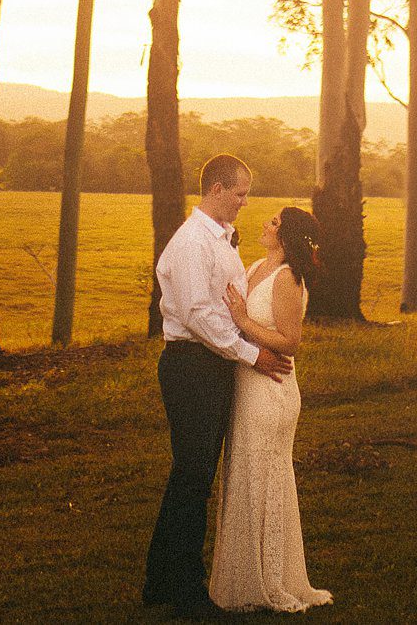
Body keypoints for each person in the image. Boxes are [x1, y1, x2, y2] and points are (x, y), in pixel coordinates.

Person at [146, 154, 291, 618]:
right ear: (216, 189)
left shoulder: (221, 242)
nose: (246, 202)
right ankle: (184, 588)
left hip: (210, 366)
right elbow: (198, 315)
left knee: (191, 477)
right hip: (192, 366)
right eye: (241, 193)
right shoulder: (193, 243)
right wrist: (253, 354)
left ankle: (162, 581)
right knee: (193, 478)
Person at [208, 204, 331, 612]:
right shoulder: (257, 264)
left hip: (271, 389)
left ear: (287, 235)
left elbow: (290, 342)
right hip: (246, 385)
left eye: (274, 222)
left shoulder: (286, 280)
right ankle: (244, 577)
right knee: (243, 473)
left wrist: (242, 320)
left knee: (264, 476)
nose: (265, 222)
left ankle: (271, 580)